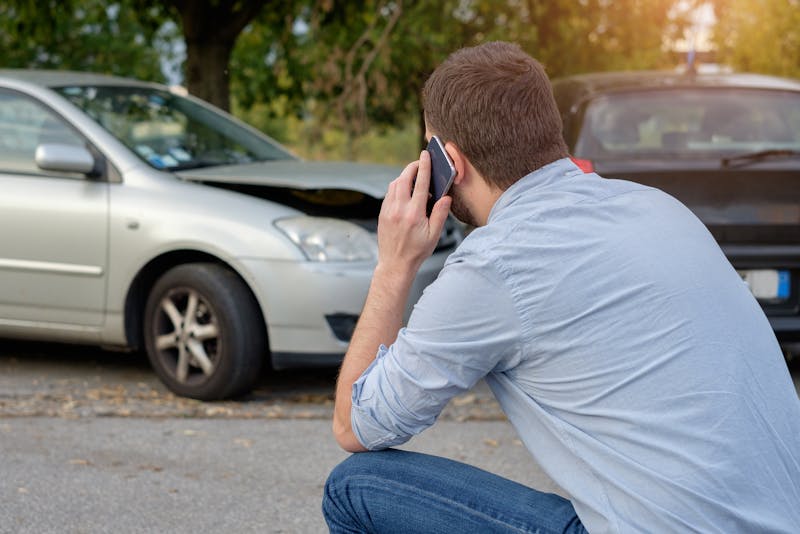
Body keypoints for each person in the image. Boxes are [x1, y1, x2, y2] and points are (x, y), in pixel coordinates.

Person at [322, 41, 800, 533]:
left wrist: (394, 267)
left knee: (355, 486)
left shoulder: (494, 265)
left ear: (449, 164)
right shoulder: (659, 207)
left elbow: (356, 426)